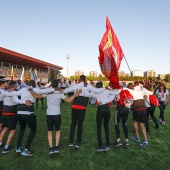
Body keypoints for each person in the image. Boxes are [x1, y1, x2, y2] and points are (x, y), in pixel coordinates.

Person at [4, 80, 55, 156]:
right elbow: (44, 91)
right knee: (33, 130)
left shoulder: (23, 89)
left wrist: (10, 91)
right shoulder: (35, 89)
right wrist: (54, 89)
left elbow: (15, 95)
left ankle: (18, 148)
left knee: (22, 129)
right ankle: (26, 150)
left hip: (19, 112)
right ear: (35, 84)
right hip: (28, 113)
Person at [64, 75, 106, 149]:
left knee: (73, 124)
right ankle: (78, 142)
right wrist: (105, 88)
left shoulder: (76, 85)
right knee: (80, 125)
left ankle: (71, 141)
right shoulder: (88, 86)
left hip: (75, 106)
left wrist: (56, 90)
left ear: (79, 79)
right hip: (82, 107)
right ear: (85, 79)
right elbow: (96, 91)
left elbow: (66, 90)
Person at [42, 80, 82, 154]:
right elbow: (69, 100)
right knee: (57, 130)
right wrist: (76, 93)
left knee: (50, 131)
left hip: (49, 114)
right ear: (58, 85)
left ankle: (51, 148)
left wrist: (30, 90)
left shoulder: (47, 92)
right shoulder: (59, 93)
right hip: (57, 114)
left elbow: (37, 95)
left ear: (51, 85)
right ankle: (56, 147)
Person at [87, 81, 120, 152]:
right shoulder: (106, 91)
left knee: (99, 127)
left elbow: (88, 94)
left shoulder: (96, 92)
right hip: (106, 109)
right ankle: (107, 145)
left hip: (100, 109)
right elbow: (115, 93)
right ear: (102, 86)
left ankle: (100, 146)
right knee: (106, 127)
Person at [0, 81, 31, 154]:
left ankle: (0, 143)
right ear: (14, 86)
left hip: (4, 113)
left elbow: (1, 99)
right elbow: (17, 101)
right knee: (13, 130)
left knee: (5, 127)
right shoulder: (14, 93)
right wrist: (24, 102)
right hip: (11, 113)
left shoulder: (4, 92)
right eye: (16, 85)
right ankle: (6, 147)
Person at [130, 81, 153, 148]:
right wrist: (143, 89)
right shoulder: (142, 89)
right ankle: (145, 140)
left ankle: (138, 138)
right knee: (142, 125)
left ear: (134, 85)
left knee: (135, 122)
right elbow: (151, 93)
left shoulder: (133, 90)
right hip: (143, 109)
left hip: (137, 109)